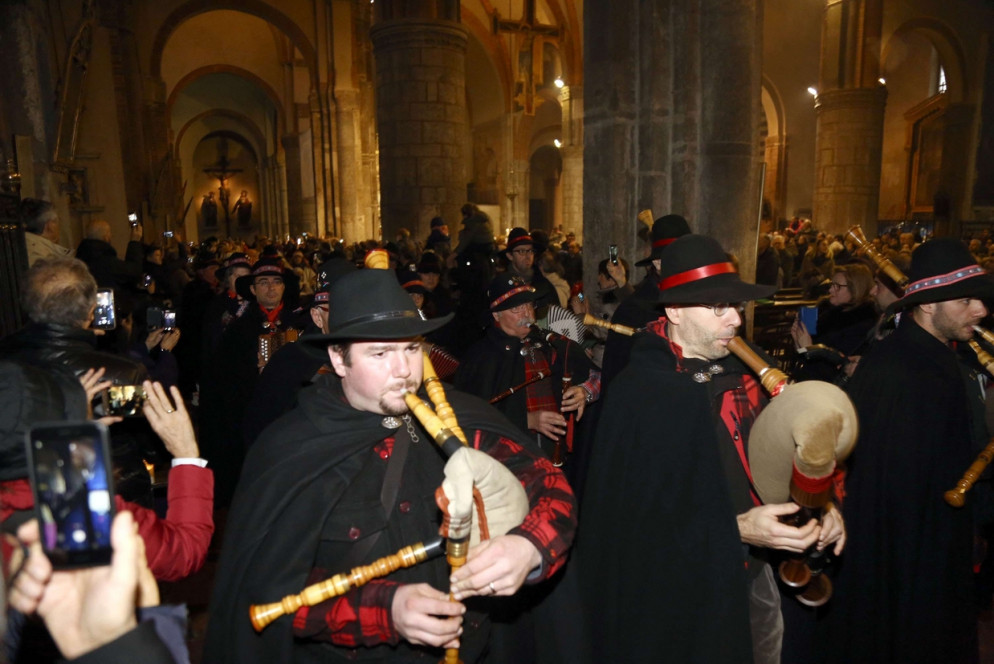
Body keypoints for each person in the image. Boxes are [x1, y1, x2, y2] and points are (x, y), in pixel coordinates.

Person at [203, 266, 576, 663]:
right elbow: (268, 589)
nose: (403, 370)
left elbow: (547, 483)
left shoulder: (456, 417)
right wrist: (386, 608)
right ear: (339, 358)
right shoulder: (291, 448)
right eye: (380, 353)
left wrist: (528, 546)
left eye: (412, 349)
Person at [578, 234, 845, 664]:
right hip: (681, 596)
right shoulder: (642, 391)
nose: (735, 319)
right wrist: (734, 529)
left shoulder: (751, 369)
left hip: (756, 577)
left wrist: (822, 502)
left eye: (735, 305)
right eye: (718, 307)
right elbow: (632, 523)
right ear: (674, 311)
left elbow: (793, 451)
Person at [830, 238, 994, 664]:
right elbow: (886, 489)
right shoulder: (898, 368)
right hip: (906, 561)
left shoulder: (940, 357)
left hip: (935, 543)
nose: (980, 310)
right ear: (928, 305)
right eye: (966, 301)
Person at [790, 263, 877, 382]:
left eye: (838, 286)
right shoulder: (826, 312)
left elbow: (834, 370)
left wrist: (809, 348)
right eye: (832, 284)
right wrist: (798, 341)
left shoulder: (862, 323)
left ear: (855, 289)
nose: (830, 289)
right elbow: (804, 359)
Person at [74, 219, 144, 293]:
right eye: (109, 232)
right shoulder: (105, 261)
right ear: (106, 237)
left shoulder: (80, 259)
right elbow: (133, 272)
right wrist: (134, 242)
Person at [20, 198, 71, 267]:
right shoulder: (43, 257)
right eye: (58, 221)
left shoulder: (22, 246)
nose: (59, 227)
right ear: (50, 226)